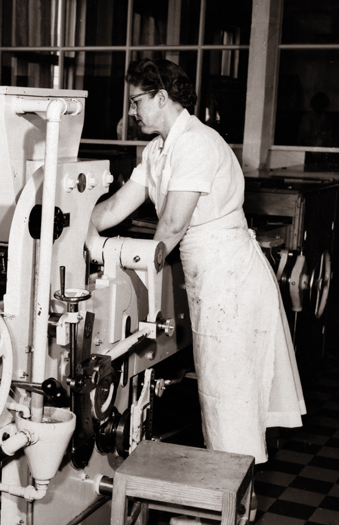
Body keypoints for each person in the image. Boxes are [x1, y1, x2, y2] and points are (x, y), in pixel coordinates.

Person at [88, 58, 306, 520]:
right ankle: (230, 504)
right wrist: (80, 226)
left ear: (162, 97)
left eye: (137, 101)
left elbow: (171, 226)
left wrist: (135, 266)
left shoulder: (198, 144)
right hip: (209, 282)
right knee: (218, 396)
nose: (132, 112)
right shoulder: (158, 150)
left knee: (233, 398)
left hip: (231, 281)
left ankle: (238, 508)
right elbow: (117, 206)